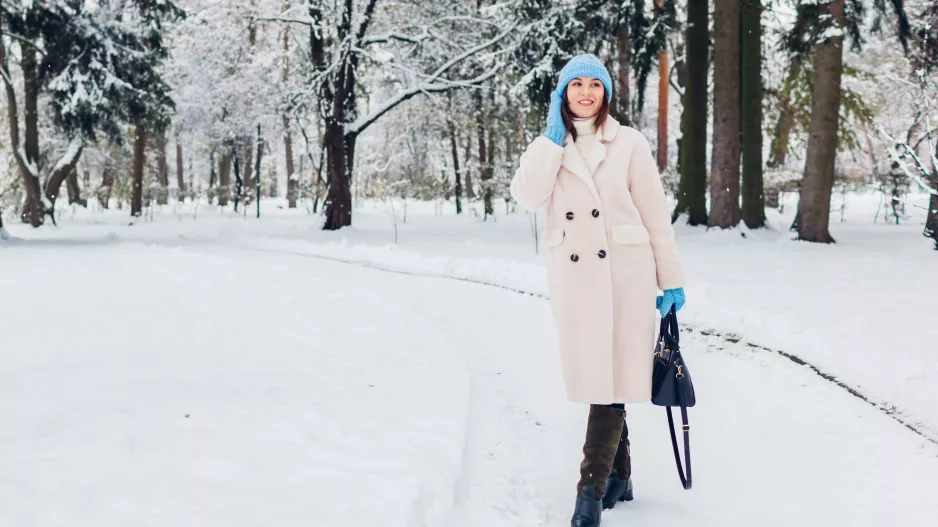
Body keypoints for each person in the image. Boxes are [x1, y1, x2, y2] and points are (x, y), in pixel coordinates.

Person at [509, 54, 686, 527]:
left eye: (594, 85)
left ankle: (588, 493)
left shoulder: (628, 143)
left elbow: (654, 215)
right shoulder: (549, 144)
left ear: (606, 93)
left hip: (624, 276)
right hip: (575, 279)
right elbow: (527, 196)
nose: (585, 93)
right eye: (575, 85)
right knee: (601, 377)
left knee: (609, 382)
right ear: (562, 94)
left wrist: (670, 278)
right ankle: (620, 477)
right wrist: (550, 143)